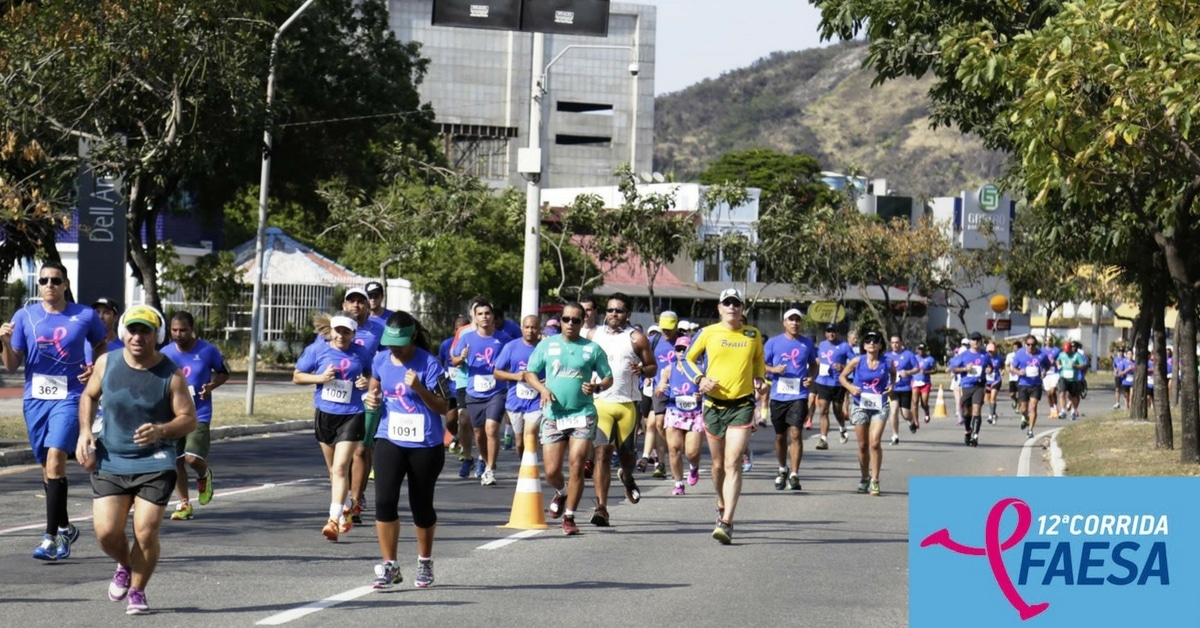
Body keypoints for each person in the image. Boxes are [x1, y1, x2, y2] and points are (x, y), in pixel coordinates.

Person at [76, 305, 197, 615]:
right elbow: (89, 395)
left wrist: (161, 430)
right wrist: (85, 431)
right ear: (123, 333)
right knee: (106, 533)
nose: (138, 336)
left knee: (145, 531)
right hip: (111, 459)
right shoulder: (107, 362)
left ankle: (138, 591)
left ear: (155, 335)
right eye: (133, 329)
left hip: (154, 463)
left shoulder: (170, 374)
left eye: (145, 330)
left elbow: (188, 419)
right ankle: (126, 564)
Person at [1, 261, 108, 561]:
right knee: (48, 470)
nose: (49, 285)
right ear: (39, 285)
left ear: (65, 284)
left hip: (71, 396)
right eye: (45, 280)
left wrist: (95, 370)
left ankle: (50, 538)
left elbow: (101, 343)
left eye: (56, 280)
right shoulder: (25, 316)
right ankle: (64, 525)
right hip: (35, 399)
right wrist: (4, 342)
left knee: (56, 457)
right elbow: (11, 364)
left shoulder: (84, 315)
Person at [363, 312, 450, 589]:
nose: (394, 348)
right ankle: (390, 566)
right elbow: (376, 388)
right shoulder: (380, 360)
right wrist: (372, 398)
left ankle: (425, 561)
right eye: (390, 342)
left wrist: (419, 387)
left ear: (413, 337)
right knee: (384, 501)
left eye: (399, 342)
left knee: (420, 506)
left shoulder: (430, 364)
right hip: (389, 436)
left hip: (425, 443)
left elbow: (443, 406)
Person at [682, 288, 767, 545]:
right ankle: (721, 502)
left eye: (736, 303)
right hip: (713, 406)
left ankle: (727, 521)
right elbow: (686, 360)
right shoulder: (708, 333)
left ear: (742, 308)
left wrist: (760, 380)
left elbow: (758, 363)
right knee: (717, 466)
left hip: (742, 405)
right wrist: (700, 379)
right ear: (719, 308)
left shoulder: (752, 334)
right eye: (727, 303)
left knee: (733, 464)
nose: (732, 307)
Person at [523, 302, 613, 536]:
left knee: (576, 465)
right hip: (553, 415)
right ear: (560, 320)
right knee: (551, 471)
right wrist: (542, 390)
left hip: (582, 414)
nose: (570, 323)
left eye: (576, 320)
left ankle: (570, 516)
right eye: (566, 319)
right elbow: (529, 373)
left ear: (583, 322)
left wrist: (597, 385)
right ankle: (562, 492)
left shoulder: (592, 349)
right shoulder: (547, 345)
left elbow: (608, 378)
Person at [294, 311, 372, 540]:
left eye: (346, 332)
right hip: (325, 414)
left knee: (340, 468)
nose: (341, 336)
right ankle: (347, 506)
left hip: (353, 414)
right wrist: (320, 378)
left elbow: (369, 373)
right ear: (332, 330)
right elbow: (298, 376)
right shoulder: (318, 350)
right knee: (333, 471)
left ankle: (333, 519)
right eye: (338, 331)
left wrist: (365, 381)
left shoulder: (362, 352)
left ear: (353, 333)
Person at [587, 293, 657, 526]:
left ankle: (627, 478)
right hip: (601, 403)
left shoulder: (637, 338)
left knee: (627, 457)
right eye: (610, 310)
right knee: (602, 453)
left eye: (618, 310)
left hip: (627, 405)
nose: (613, 314)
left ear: (627, 314)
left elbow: (652, 367)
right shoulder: (593, 335)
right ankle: (601, 508)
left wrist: (642, 369)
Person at [160, 311, 229, 521]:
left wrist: (211, 385)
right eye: (174, 330)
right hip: (174, 415)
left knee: (192, 457)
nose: (178, 334)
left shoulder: (207, 351)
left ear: (192, 330)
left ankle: (203, 475)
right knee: (177, 461)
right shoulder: (165, 353)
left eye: (183, 330)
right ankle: (184, 504)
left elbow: (224, 372)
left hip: (199, 412)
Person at [451, 299, 511, 486]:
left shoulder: (503, 339)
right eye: (480, 314)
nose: (484, 317)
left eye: (487, 313)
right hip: (474, 391)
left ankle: (491, 469)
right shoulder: (467, 338)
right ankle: (484, 461)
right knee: (478, 433)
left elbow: (512, 359)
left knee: (491, 428)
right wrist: (461, 358)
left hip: (497, 390)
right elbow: (454, 361)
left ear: (493, 316)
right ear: (474, 318)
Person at [763, 308, 816, 490]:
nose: (794, 323)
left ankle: (794, 474)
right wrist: (774, 370)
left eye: (797, 320)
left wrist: (812, 377)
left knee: (796, 433)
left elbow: (814, 363)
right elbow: (761, 364)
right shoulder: (773, 342)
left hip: (799, 395)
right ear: (784, 322)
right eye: (791, 320)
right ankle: (782, 468)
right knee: (780, 436)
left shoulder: (807, 343)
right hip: (778, 395)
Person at [345, 287, 385, 525]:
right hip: (337, 400)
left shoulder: (379, 331)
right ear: (344, 305)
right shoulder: (334, 329)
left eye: (361, 301)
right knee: (343, 454)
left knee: (361, 449)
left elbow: (387, 362)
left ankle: (355, 500)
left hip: (367, 395)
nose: (357, 305)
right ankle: (347, 493)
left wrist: (371, 383)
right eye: (352, 301)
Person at [838, 330, 894, 495]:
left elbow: (893, 375)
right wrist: (850, 387)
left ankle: (875, 480)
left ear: (880, 345)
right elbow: (842, 377)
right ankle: (864, 478)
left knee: (874, 442)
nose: (871, 343)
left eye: (875, 340)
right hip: (860, 404)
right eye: (868, 340)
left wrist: (892, 386)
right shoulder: (857, 361)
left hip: (880, 405)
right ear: (863, 345)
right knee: (863, 445)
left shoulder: (888, 362)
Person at [658, 335, 705, 495]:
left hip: (695, 413)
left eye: (685, 349)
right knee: (674, 449)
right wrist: (661, 388)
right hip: (674, 411)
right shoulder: (669, 369)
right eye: (678, 349)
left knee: (691, 452)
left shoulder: (700, 368)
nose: (681, 352)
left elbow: (707, 389)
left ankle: (693, 467)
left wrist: (701, 395)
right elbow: (659, 389)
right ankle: (678, 483)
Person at [493, 315, 544, 460]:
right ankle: (525, 468)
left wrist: (546, 382)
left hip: (537, 401)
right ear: (521, 328)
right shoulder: (511, 347)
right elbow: (496, 373)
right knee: (520, 443)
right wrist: (516, 376)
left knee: (530, 435)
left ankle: (531, 468)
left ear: (539, 329)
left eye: (534, 327)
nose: (530, 330)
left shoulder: (544, 348)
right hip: (516, 400)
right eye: (527, 327)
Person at [813, 323, 853, 450]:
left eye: (833, 331)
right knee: (823, 410)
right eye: (828, 331)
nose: (831, 334)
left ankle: (842, 428)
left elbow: (855, 362)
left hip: (837, 383)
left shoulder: (844, 346)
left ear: (837, 333)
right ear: (825, 333)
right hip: (823, 381)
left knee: (837, 410)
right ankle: (823, 439)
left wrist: (842, 367)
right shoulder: (822, 345)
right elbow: (817, 359)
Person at [437, 315, 471, 463]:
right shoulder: (446, 344)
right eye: (457, 329)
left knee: (464, 419)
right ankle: (457, 436)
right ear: (454, 330)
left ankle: (464, 447)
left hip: (465, 386)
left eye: (463, 328)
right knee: (450, 420)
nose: (460, 331)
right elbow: (440, 362)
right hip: (450, 388)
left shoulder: (471, 342)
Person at [948, 332, 991, 446]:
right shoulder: (963, 355)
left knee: (977, 410)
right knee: (967, 412)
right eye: (973, 340)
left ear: (981, 341)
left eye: (978, 339)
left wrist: (989, 370)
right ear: (970, 342)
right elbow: (953, 369)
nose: (976, 342)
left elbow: (990, 366)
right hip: (967, 386)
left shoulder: (985, 355)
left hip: (979, 385)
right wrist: (965, 369)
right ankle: (968, 430)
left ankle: (975, 436)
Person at [1010, 335, 1053, 439]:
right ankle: (1025, 417)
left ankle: (1030, 430)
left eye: (1033, 345)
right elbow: (1013, 368)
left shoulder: (1041, 354)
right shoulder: (1020, 354)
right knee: (1023, 409)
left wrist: (1044, 372)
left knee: (1033, 406)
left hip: (1036, 384)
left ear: (1036, 345)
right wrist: (1019, 372)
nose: (1031, 347)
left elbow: (1048, 365)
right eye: (1028, 344)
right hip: (1023, 384)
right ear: (1025, 344)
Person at [885, 335, 920, 444]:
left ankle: (911, 421)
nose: (895, 345)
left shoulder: (908, 354)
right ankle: (895, 436)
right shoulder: (887, 356)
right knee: (894, 410)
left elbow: (917, 368)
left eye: (897, 342)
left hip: (905, 388)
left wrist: (908, 372)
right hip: (893, 388)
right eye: (892, 342)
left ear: (901, 343)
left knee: (905, 413)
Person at [1056, 341, 1088, 421]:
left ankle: (1073, 411)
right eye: (1066, 352)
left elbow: (1083, 365)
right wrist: (1058, 365)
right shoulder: (1061, 354)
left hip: (1073, 379)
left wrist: (1075, 365)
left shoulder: (1077, 355)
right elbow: (1057, 360)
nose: (1067, 353)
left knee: (1073, 396)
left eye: (1069, 351)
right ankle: (1063, 411)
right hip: (1063, 377)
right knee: (1062, 393)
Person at [912, 344, 936, 423]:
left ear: (925, 350)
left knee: (924, 402)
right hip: (915, 382)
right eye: (919, 349)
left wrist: (926, 372)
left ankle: (926, 412)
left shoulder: (930, 359)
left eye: (922, 349)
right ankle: (916, 421)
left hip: (925, 383)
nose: (921, 351)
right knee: (915, 402)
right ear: (917, 350)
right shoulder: (914, 358)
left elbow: (935, 370)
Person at [983, 342, 1004, 425]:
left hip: (996, 380)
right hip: (987, 381)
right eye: (989, 351)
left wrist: (1002, 370)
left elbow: (1003, 365)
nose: (990, 353)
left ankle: (991, 415)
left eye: (991, 351)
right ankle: (994, 413)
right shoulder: (984, 358)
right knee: (987, 399)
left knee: (993, 398)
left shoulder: (999, 358)